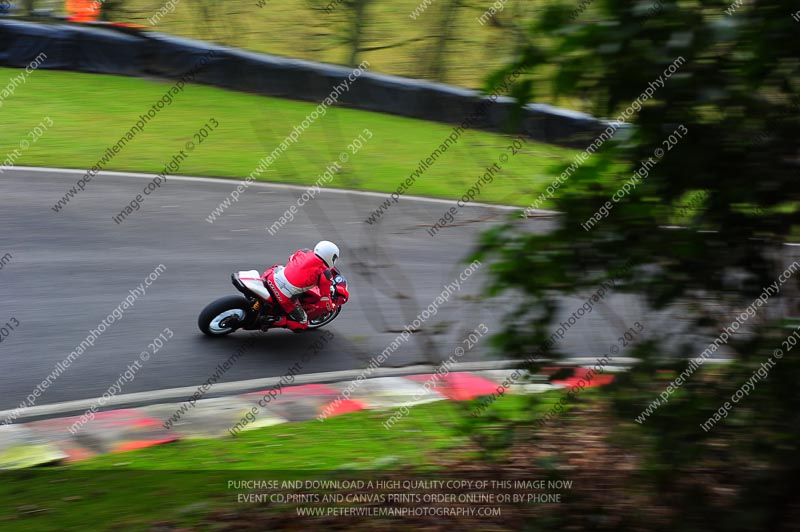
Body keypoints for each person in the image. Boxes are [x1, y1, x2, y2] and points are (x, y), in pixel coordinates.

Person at [263, 241, 344, 332]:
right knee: (302, 323)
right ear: (330, 257)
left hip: (272, 277)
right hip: (284, 294)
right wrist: (332, 306)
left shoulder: (304, 251)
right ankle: (273, 321)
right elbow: (324, 298)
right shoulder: (325, 273)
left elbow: (291, 258)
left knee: (279, 267)